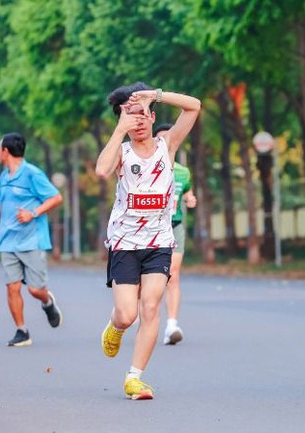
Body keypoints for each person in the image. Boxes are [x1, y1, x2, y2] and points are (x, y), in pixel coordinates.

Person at [95, 83, 200, 399]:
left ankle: (134, 377)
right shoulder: (121, 152)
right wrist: (118, 131)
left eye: (142, 114)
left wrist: (155, 94)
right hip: (125, 243)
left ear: (153, 116)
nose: (138, 120)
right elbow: (101, 171)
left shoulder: (167, 145)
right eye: (130, 115)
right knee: (128, 315)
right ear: (122, 120)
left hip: (159, 243)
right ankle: (114, 327)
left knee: (151, 307)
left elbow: (194, 105)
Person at [0, 133, 64, 347]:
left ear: (5, 151)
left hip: (32, 241)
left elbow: (56, 197)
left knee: (35, 289)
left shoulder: (32, 174)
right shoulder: (3, 177)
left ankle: (47, 302)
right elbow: (4, 207)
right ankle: (22, 330)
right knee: (12, 287)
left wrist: (32, 213)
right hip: (8, 242)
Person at [153, 123, 197, 345]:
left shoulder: (182, 171)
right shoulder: (145, 169)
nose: (166, 143)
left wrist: (190, 198)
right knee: (148, 281)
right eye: (160, 139)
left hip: (174, 226)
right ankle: (144, 318)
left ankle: (171, 325)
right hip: (149, 229)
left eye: (170, 138)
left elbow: (187, 191)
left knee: (173, 274)